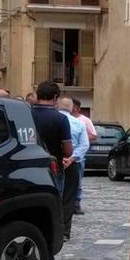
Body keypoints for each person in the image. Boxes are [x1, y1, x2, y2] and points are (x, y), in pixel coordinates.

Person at [32, 81, 73, 260]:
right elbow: (68, 150)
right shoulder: (60, 119)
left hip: (28, 169)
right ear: (56, 98)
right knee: (51, 216)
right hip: (52, 169)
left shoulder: (26, 114)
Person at [57, 97, 88, 241]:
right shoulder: (79, 123)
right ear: (71, 108)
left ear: (58, 106)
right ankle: (64, 231)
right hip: (72, 163)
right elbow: (84, 145)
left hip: (55, 160)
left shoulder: (54, 119)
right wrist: (72, 158)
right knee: (68, 198)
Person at [71, 98, 96, 214]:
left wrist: (83, 137)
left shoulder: (85, 120)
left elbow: (94, 135)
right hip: (67, 155)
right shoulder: (65, 118)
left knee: (78, 181)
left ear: (76, 108)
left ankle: (76, 203)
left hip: (79, 156)